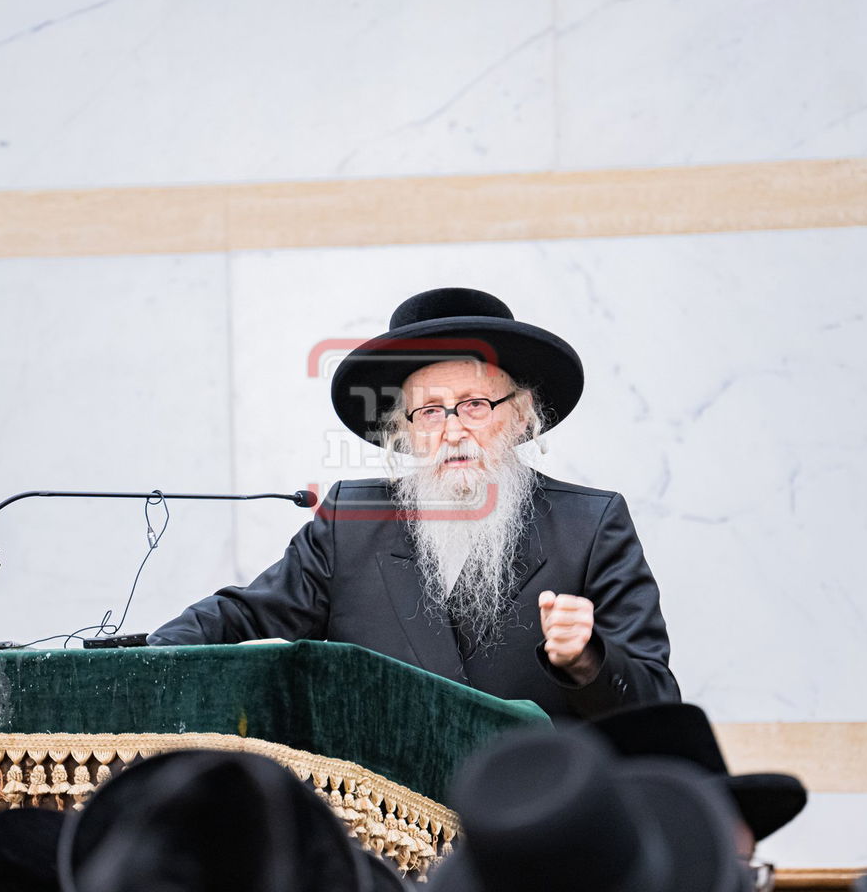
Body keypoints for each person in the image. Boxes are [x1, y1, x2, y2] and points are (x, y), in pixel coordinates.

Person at [150, 287, 680, 719]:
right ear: (405, 432)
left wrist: (586, 659)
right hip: (385, 830)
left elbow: (656, 702)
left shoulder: (589, 525)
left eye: (474, 405)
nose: (452, 431)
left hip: (533, 822)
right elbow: (243, 615)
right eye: (429, 412)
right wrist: (147, 656)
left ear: (521, 415)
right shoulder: (350, 523)